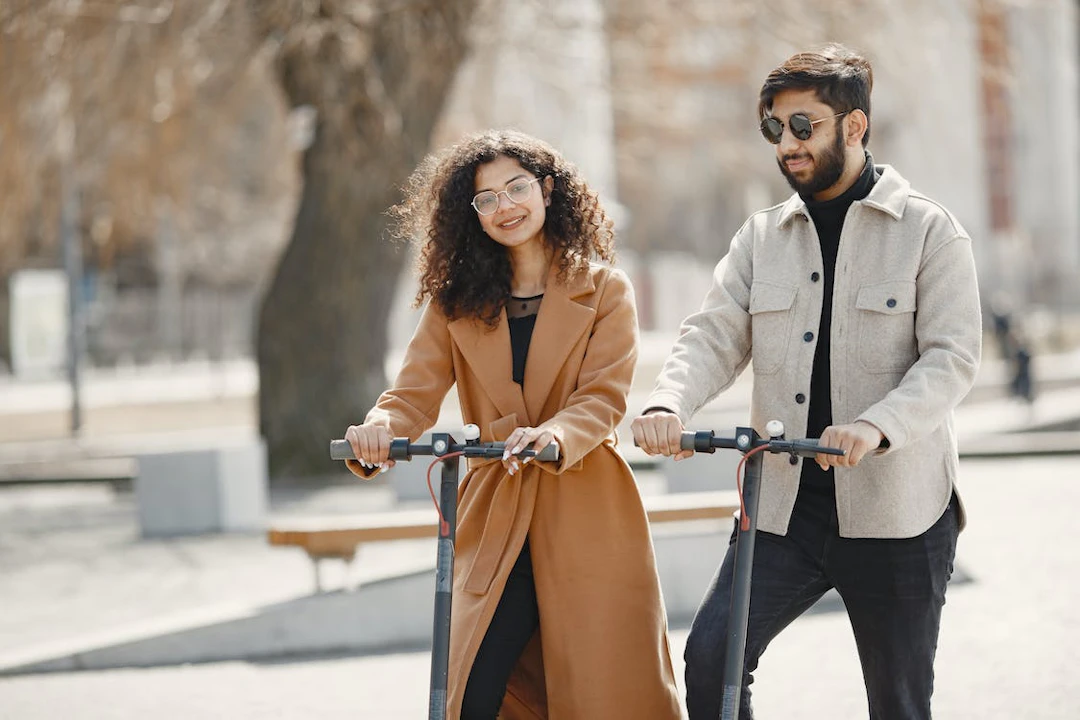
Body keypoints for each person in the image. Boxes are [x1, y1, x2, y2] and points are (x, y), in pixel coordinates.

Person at [631, 45, 982, 719]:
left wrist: (877, 426)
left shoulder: (929, 231)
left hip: (898, 512)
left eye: (803, 126)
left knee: (899, 705)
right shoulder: (761, 238)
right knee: (712, 663)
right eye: (774, 128)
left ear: (854, 127)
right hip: (784, 508)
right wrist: (666, 401)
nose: (786, 144)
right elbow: (711, 335)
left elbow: (952, 357)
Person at [344, 129, 682, 720]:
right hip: (496, 507)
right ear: (470, 214)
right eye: (486, 198)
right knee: (472, 691)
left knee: (602, 689)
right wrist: (379, 429)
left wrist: (555, 435)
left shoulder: (606, 290)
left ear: (548, 190)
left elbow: (603, 398)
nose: (505, 207)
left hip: (585, 506)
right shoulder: (453, 302)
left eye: (517, 188)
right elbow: (411, 394)